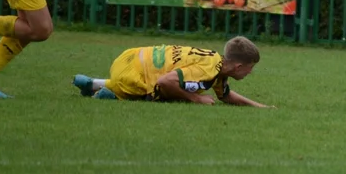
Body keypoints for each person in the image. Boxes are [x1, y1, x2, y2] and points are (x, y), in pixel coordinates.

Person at [71, 36, 271, 107]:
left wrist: (259, 106)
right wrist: (196, 99)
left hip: (130, 57)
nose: (249, 73)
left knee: (165, 90)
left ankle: (92, 83)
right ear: (238, 67)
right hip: (132, 72)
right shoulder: (208, 69)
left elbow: (226, 96)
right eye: (250, 69)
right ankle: (108, 94)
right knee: (156, 93)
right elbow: (166, 81)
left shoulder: (216, 65)